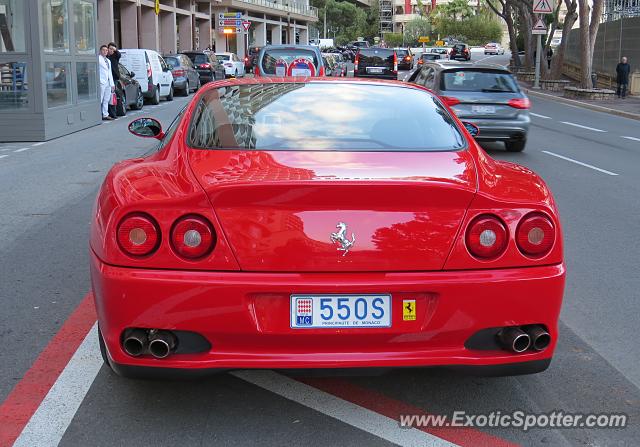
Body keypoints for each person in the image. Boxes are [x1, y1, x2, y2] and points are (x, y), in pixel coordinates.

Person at [98, 45, 115, 121]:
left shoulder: (108, 61)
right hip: (101, 82)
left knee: (106, 99)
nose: (105, 52)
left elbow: (110, 72)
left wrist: (112, 84)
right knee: (100, 99)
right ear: (100, 51)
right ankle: (98, 114)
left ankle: (105, 114)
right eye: (103, 50)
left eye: (106, 50)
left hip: (108, 82)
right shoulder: (98, 59)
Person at [107, 42, 121, 119]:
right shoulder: (105, 56)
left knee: (112, 96)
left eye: (113, 49)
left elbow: (119, 54)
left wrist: (115, 50)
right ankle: (107, 113)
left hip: (114, 79)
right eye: (110, 48)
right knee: (106, 97)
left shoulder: (115, 56)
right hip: (105, 79)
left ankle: (113, 114)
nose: (111, 50)